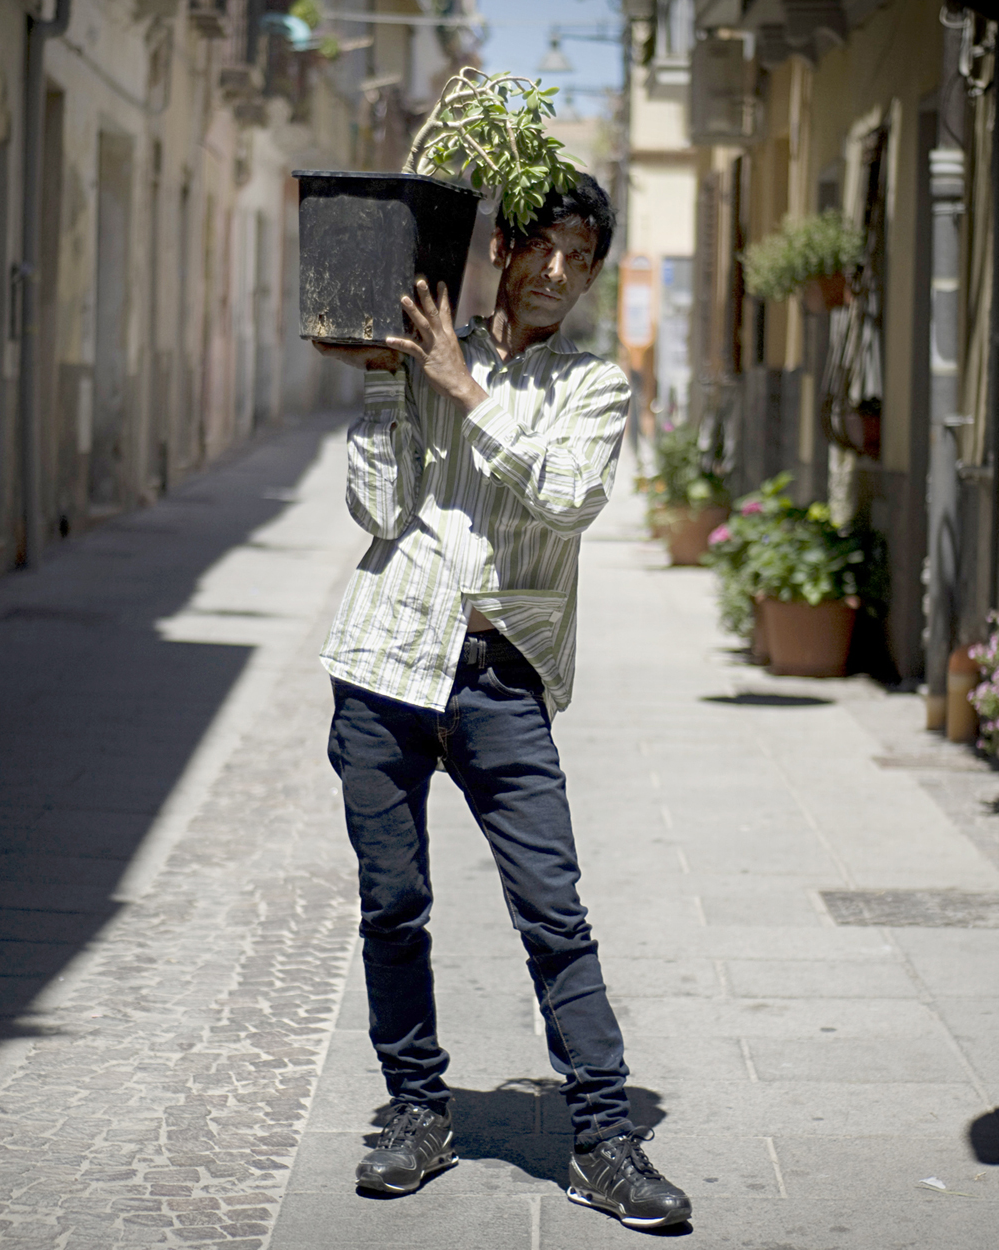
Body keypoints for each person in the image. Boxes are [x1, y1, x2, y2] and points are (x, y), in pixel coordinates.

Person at [312, 174, 691, 1231]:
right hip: (384, 663)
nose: (558, 273)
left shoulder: (594, 386)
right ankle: (416, 1110)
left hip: (501, 676)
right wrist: (390, 381)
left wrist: (465, 391)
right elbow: (375, 509)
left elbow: (567, 499)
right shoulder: (424, 350)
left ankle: (605, 1138)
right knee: (392, 905)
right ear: (501, 250)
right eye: (543, 248)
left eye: (581, 258)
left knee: (553, 911)